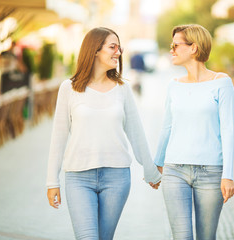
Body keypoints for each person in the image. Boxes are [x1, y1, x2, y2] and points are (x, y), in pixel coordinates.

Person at [46, 27, 161, 240]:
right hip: (78, 178)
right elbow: (58, 137)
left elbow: (136, 132)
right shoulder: (68, 88)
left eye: (120, 47)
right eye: (112, 47)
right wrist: (52, 181)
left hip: (116, 177)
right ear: (95, 50)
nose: (118, 52)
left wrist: (151, 170)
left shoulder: (122, 88)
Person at [154, 24, 234, 240]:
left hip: (211, 172)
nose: (171, 49)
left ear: (194, 48)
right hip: (175, 171)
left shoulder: (222, 83)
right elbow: (167, 126)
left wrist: (227, 176)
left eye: (176, 45)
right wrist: (157, 164)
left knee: (206, 237)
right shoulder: (173, 85)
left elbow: (228, 130)